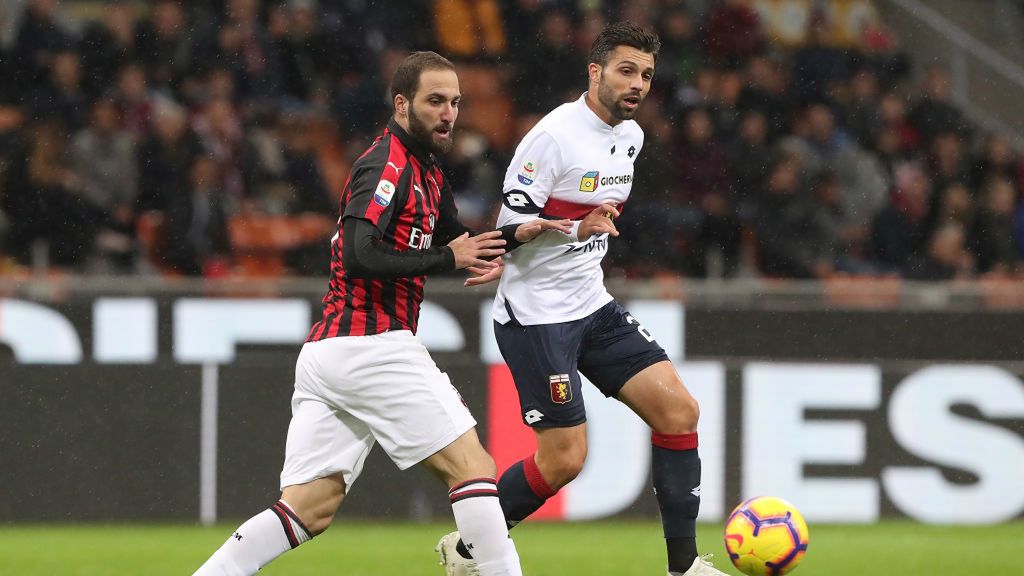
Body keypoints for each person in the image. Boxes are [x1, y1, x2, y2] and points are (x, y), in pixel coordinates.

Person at [193, 51, 569, 576]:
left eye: (455, 103)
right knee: (473, 468)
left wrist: (516, 234)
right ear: (401, 103)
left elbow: (456, 239)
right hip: (372, 342)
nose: (448, 114)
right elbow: (357, 252)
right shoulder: (384, 165)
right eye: (435, 101)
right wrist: (447, 258)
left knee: (307, 509)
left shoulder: (429, 171)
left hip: (329, 355)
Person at [437, 23, 729, 576]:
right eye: (625, 70)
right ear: (594, 72)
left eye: (645, 74)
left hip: (592, 305)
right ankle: (470, 546)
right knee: (565, 459)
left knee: (679, 410)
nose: (637, 83)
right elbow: (512, 221)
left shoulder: (633, 138)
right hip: (536, 317)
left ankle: (684, 568)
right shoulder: (552, 138)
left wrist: (581, 232)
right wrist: (569, 229)